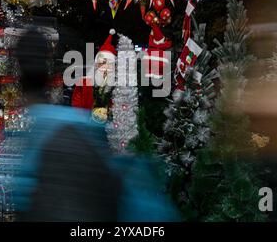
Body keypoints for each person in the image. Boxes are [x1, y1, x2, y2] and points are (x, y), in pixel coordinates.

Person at [11, 29, 180, 222]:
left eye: (108, 63)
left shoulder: (48, 135)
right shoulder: (77, 117)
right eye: (101, 62)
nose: (104, 67)